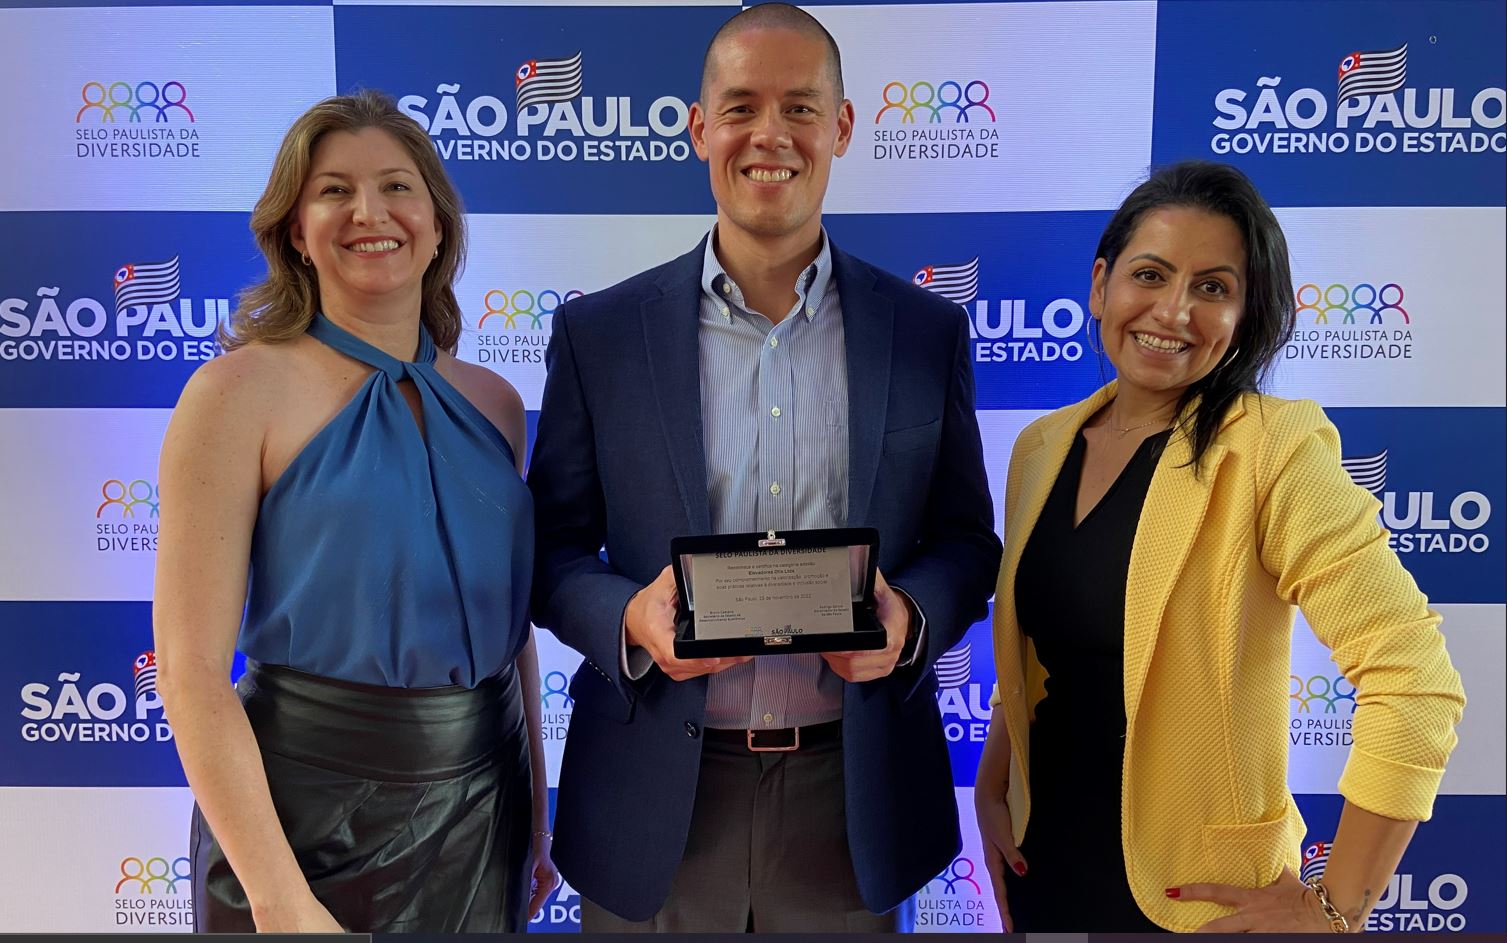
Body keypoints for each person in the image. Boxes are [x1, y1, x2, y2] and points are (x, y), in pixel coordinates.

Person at [527, 3, 1001, 932]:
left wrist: (910, 620)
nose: (770, 135)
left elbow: (965, 543)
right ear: (699, 129)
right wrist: (626, 613)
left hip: (852, 800)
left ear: (843, 127)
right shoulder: (601, 336)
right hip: (653, 798)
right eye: (740, 107)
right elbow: (547, 549)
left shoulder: (924, 332)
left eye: (800, 107)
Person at [975, 160, 1466, 932]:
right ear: (1101, 284)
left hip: (1198, 901)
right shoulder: (1041, 446)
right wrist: (992, 780)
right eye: (1149, 274)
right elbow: (1044, 641)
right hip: (1044, 865)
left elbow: (1416, 682)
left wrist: (1334, 907)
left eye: (1212, 287)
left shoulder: (1272, 448)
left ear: (1245, 317)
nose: (1172, 311)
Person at [153, 90, 557, 933]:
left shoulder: (496, 402)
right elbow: (190, 671)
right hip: (299, 819)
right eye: (334, 190)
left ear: (438, 224)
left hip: (485, 812)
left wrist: (538, 814)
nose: (369, 212)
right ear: (295, 230)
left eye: (397, 186)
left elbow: (509, 629)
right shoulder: (233, 395)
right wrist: (277, 895)